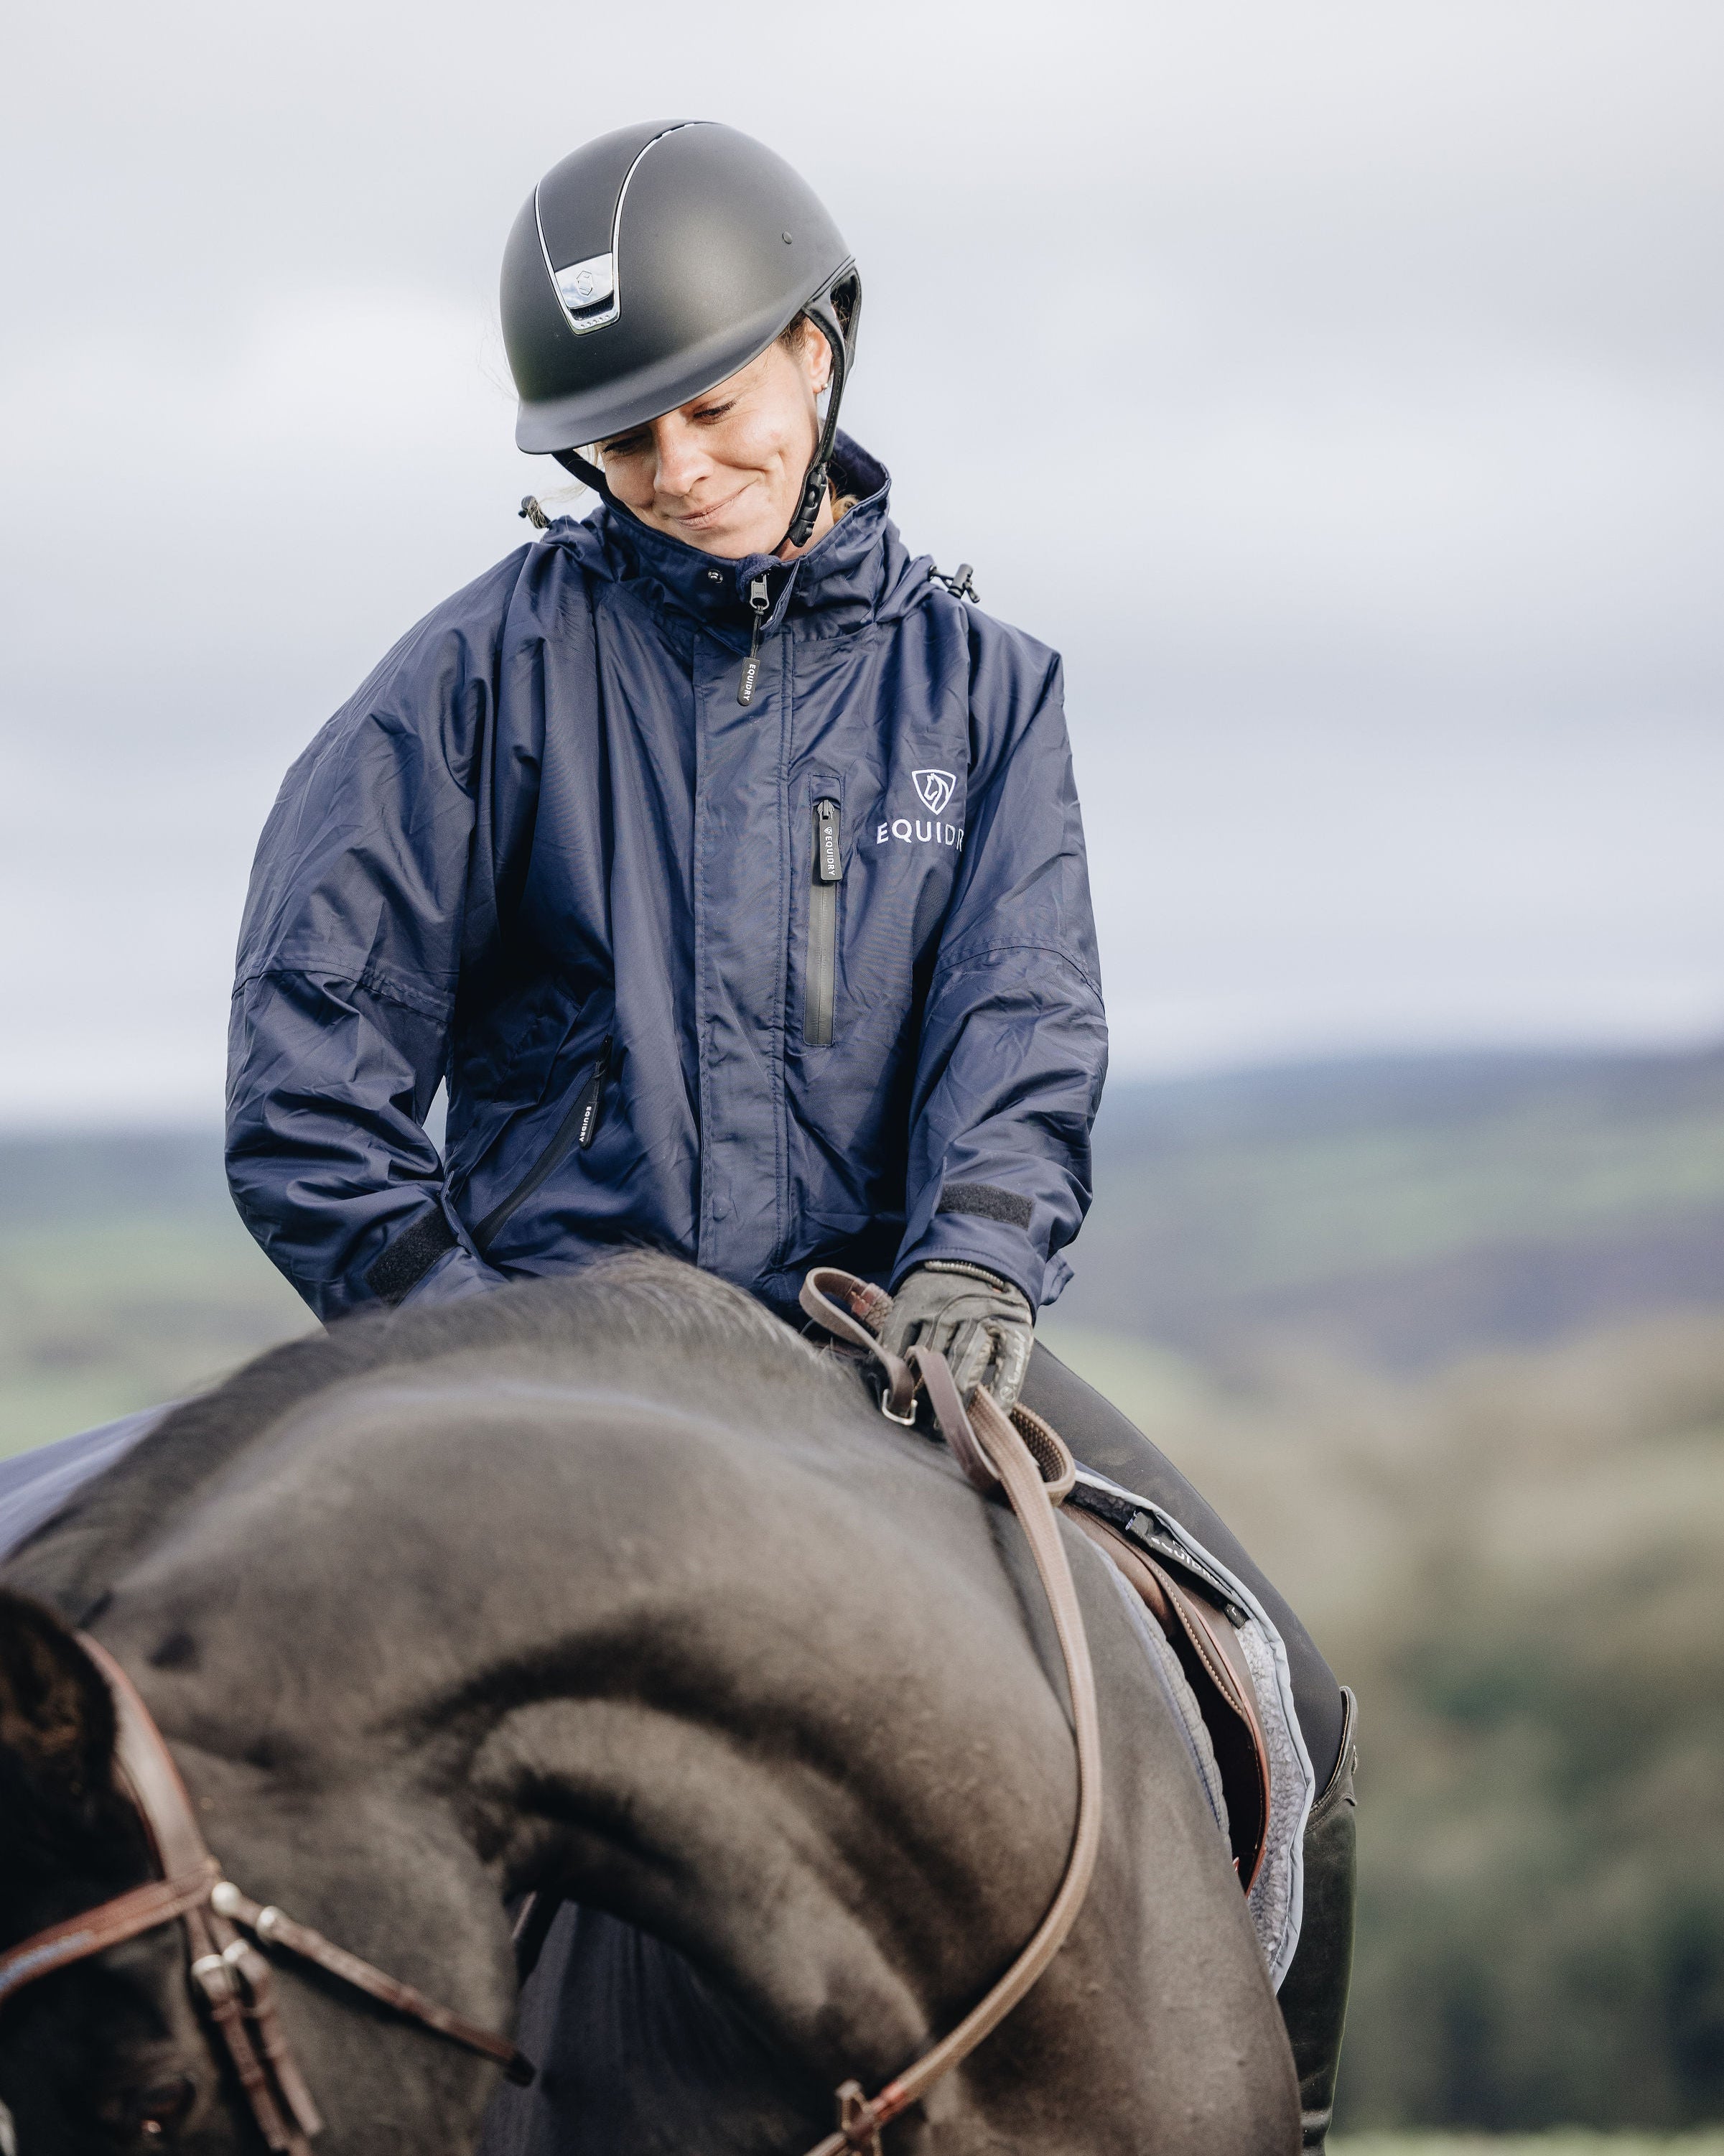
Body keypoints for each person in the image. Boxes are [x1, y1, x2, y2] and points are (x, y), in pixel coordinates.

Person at [223, 121, 1355, 2147]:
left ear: (820, 348)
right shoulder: (470, 682)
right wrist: (479, 1344)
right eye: (620, 440)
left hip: (888, 1337)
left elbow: (1019, 1019)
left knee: (1284, 1692)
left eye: (707, 405)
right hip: (553, 1351)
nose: (672, 469)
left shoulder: (987, 696)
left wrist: (977, 1262)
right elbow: (309, 1075)